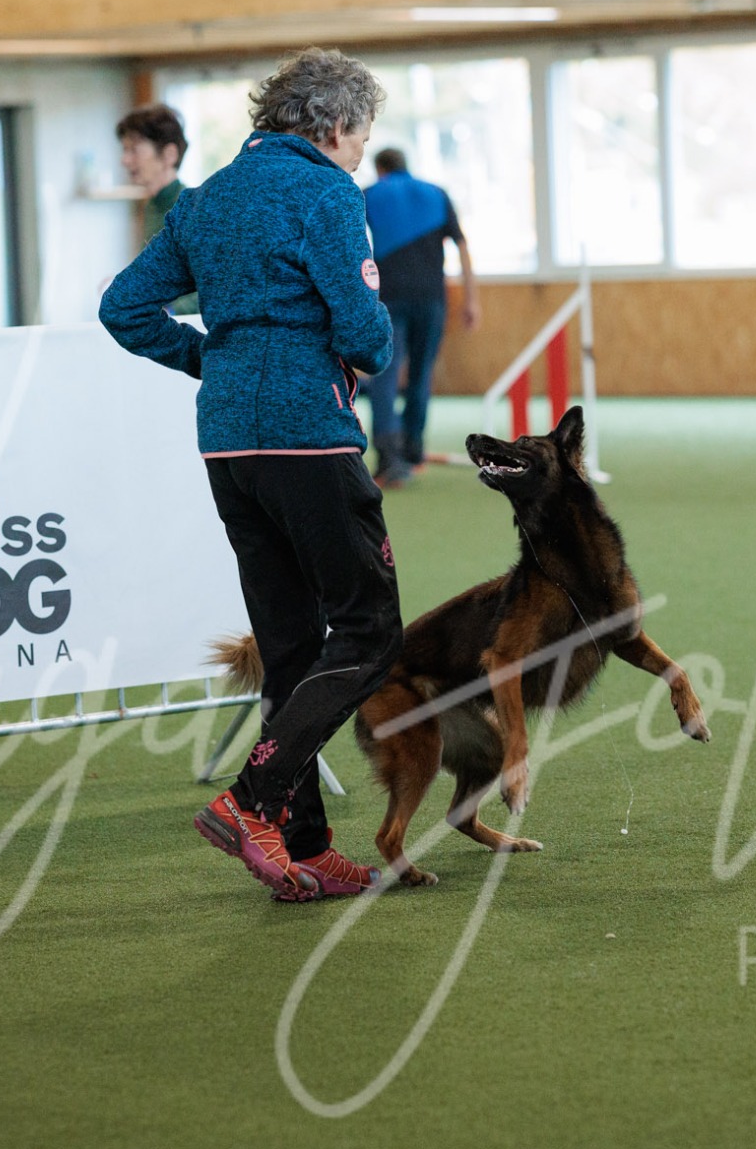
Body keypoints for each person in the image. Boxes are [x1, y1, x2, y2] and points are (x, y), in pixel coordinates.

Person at [100, 48, 401, 903]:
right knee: (369, 630)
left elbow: (123, 307)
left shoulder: (206, 200)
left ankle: (305, 846)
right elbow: (366, 337)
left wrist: (212, 360)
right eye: (360, 134)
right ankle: (252, 800)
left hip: (229, 444)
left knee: (292, 643)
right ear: (334, 125)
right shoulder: (329, 194)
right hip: (309, 435)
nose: (359, 152)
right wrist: (366, 335)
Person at [361, 146, 480, 486]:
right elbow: (462, 246)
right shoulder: (437, 193)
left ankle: (390, 460)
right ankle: (413, 451)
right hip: (431, 299)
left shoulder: (369, 194)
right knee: (420, 373)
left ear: (380, 169)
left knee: (385, 374)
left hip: (388, 298)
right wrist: (472, 300)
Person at [115, 103, 198, 316]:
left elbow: (218, 285)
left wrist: (171, 310)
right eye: (124, 150)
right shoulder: (151, 207)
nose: (125, 160)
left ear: (169, 154)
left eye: (134, 150)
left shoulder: (192, 208)